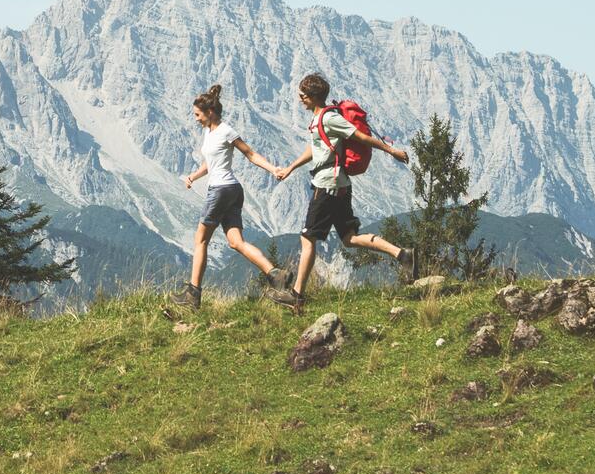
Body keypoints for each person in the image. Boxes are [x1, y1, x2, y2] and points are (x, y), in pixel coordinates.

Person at [276, 72, 417, 303]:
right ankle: (402, 255)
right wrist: (290, 168)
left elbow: (361, 137)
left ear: (313, 96)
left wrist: (392, 151)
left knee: (308, 238)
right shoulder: (318, 120)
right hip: (338, 185)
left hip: (327, 186)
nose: (300, 98)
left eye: (303, 94)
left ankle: (296, 295)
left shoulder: (329, 118)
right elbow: (316, 149)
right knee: (350, 238)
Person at [164, 85, 303, 315]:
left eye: (197, 115)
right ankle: (276, 274)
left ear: (210, 112)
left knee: (200, 240)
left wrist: (272, 169)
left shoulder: (226, 131)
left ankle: (193, 294)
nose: (195, 119)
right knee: (236, 242)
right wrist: (193, 176)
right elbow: (210, 163)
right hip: (232, 190)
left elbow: (249, 153)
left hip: (220, 190)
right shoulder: (208, 132)